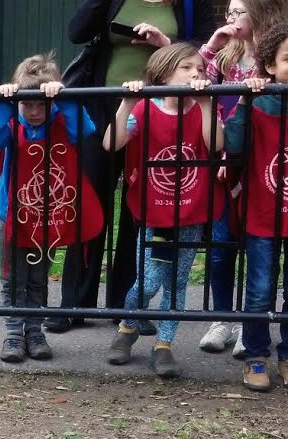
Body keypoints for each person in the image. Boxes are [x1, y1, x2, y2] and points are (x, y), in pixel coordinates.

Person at [57, 0, 216, 333]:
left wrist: (166, 46)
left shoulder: (188, 4)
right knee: (89, 203)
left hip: (159, 112)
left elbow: (203, 53)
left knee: (142, 208)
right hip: (104, 107)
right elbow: (76, 32)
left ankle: (126, 306)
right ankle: (74, 303)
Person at [104, 43, 221, 378]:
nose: (196, 73)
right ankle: (128, 327)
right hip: (154, 210)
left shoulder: (200, 108)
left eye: (199, 68)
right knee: (149, 279)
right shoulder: (145, 109)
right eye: (186, 67)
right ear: (164, 72)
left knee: (178, 281)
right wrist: (126, 103)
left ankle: (164, 345)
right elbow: (112, 143)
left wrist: (206, 104)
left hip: (190, 210)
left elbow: (216, 145)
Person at [0, 54, 102, 364]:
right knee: (12, 275)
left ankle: (34, 331)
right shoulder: (11, 121)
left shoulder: (61, 119)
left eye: (40, 104)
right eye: (27, 104)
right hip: (11, 212)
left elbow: (83, 130)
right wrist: (4, 102)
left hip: (48, 213)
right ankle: (12, 333)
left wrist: (65, 98)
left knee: (38, 275)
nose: (34, 112)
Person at [196, 0, 286, 355]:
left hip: (266, 163)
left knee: (260, 254)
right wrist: (212, 45)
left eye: (237, 12)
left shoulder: (280, 51)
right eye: (228, 12)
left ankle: (255, 332)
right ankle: (223, 320)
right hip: (225, 158)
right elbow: (191, 80)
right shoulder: (226, 58)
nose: (230, 19)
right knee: (221, 247)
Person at [222, 21, 288, 391]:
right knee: (260, 288)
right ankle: (257, 355)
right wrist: (245, 101)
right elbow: (234, 145)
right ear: (270, 67)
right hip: (263, 212)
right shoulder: (259, 105)